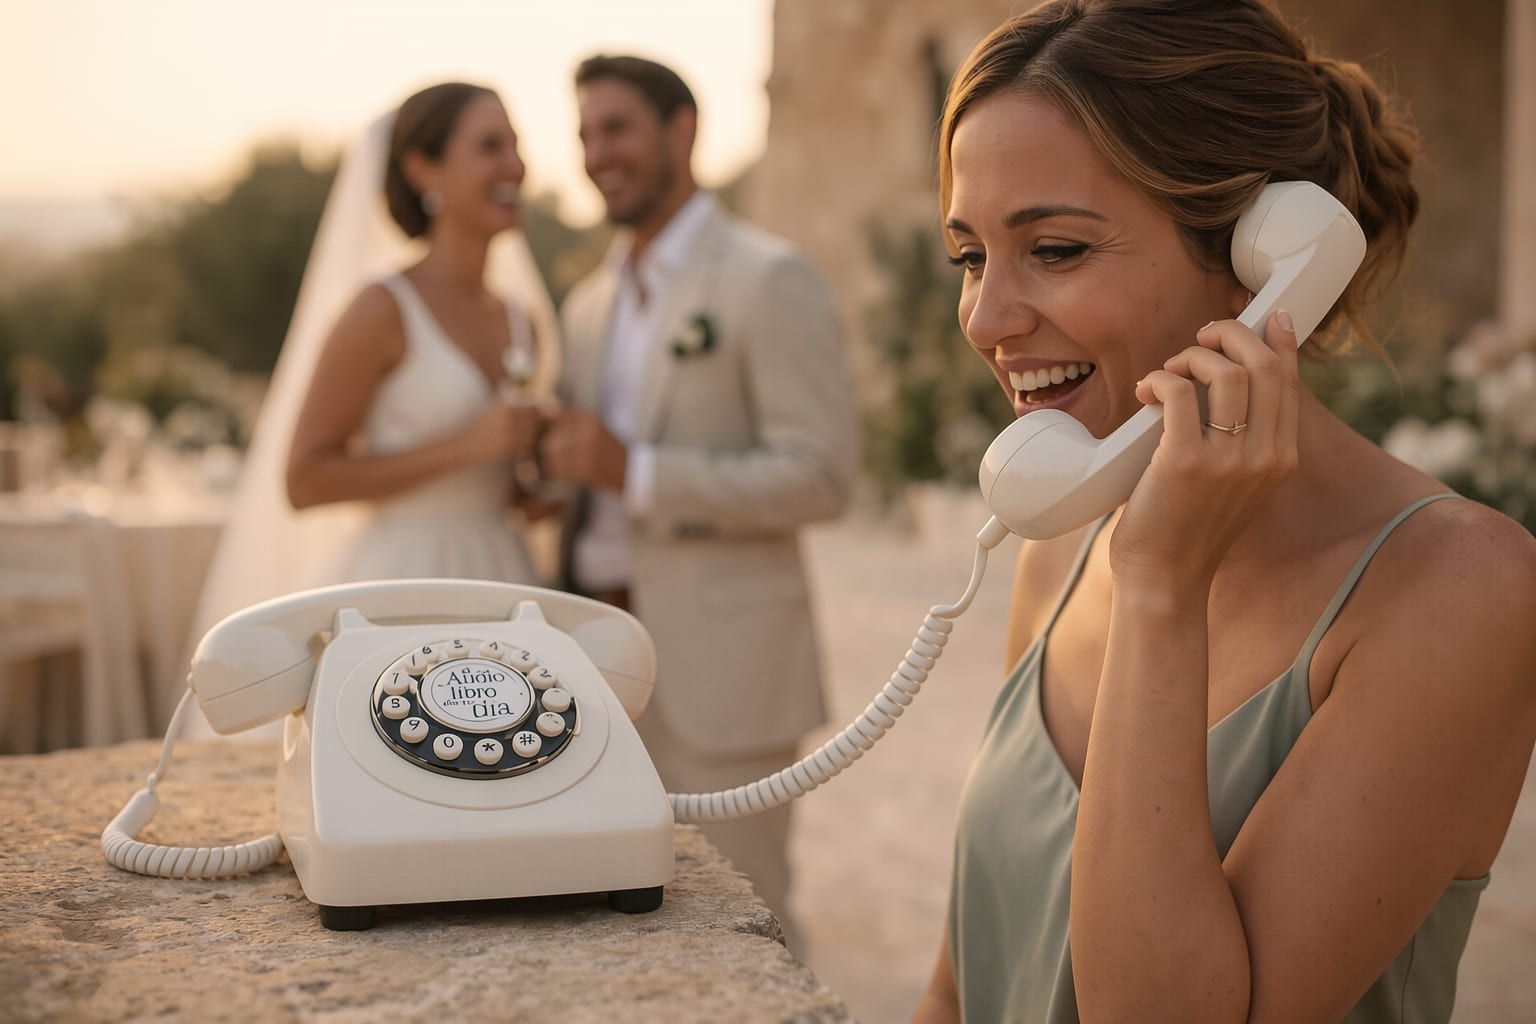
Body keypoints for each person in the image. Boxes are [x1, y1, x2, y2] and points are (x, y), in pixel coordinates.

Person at [911, 2, 1536, 1022]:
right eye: (970, 256)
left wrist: (1160, 588)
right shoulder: (1063, 540)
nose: (987, 318)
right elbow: (958, 987)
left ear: (1260, 258)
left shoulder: (1461, 593)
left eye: (1056, 249)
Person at [531, 55, 858, 944]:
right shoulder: (588, 302)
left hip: (723, 677)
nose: (598, 154)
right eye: (587, 134)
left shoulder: (767, 276)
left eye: (618, 129)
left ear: (682, 131)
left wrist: (633, 470)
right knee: (608, 926)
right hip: (591, 669)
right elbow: (588, 486)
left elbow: (823, 475)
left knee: (740, 929)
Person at [190, 82, 559, 704]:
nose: (515, 167)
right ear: (423, 169)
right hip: (401, 584)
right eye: (491, 146)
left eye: (517, 147)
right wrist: (467, 445)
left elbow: (505, 472)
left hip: (505, 579)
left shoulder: (525, 319)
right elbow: (304, 480)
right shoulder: (381, 310)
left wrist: (536, 480)